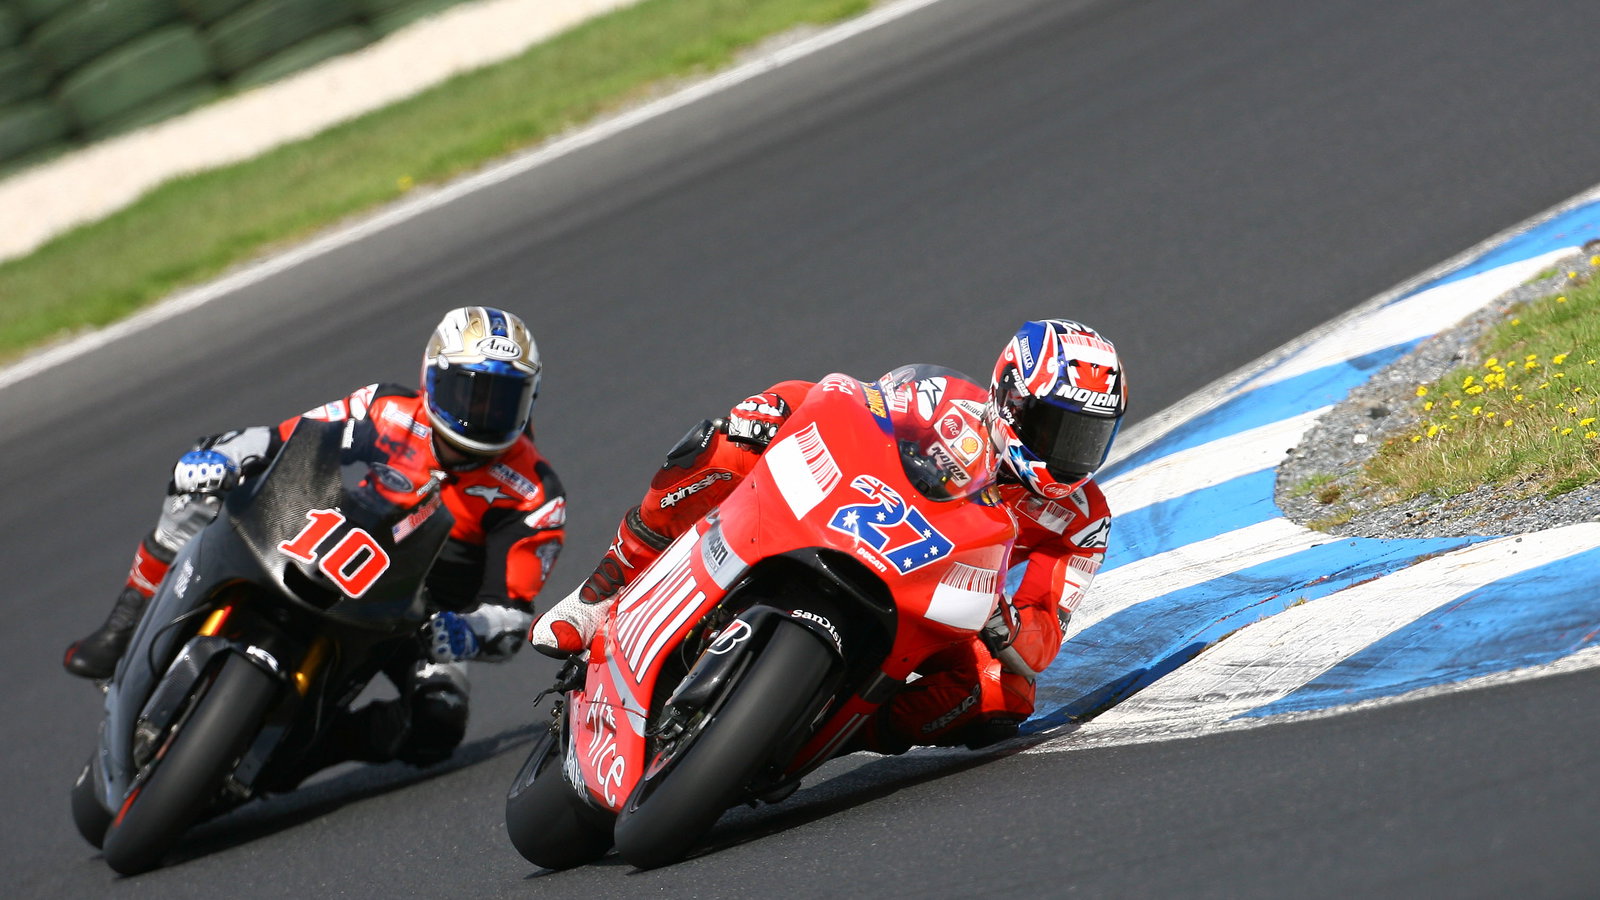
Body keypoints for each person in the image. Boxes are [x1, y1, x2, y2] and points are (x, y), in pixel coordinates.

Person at [528, 318, 1124, 752]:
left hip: (941, 592)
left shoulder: (1083, 519)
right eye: (1058, 429)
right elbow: (841, 402)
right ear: (1012, 401)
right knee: (726, 444)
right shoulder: (944, 402)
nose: (1069, 455)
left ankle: (830, 729)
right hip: (857, 521)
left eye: (1087, 439)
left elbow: (1041, 643)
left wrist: (1006, 623)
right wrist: (771, 409)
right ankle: (604, 588)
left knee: (1006, 694)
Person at [64, 306, 566, 769]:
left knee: (440, 722)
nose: (482, 413)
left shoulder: (533, 494)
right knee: (195, 491)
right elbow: (289, 438)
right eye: (470, 392)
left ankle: (300, 755)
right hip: (322, 541)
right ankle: (122, 627)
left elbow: (514, 614)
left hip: (420, 615)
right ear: (432, 378)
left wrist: (468, 632)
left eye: (503, 400)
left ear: (532, 400)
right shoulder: (386, 409)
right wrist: (226, 458)